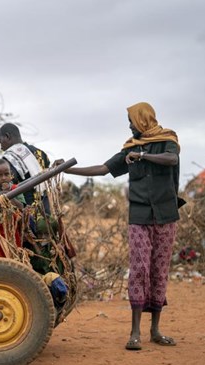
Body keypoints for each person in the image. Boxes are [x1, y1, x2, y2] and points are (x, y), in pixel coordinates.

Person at [61, 102, 181, 351]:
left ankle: (155, 330)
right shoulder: (129, 148)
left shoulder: (167, 140)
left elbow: (172, 159)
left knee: (159, 269)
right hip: (138, 215)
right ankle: (135, 332)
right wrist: (67, 169)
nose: (129, 126)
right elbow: (103, 169)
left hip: (166, 214)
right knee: (138, 268)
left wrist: (144, 156)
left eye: (132, 121)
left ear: (143, 119)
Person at [0, 123, 51, 211]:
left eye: (0, 141)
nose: (1, 147)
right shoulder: (40, 153)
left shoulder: (8, 159)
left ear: (7, 136)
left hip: (25, 214)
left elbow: (6, 186)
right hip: (46, 209)